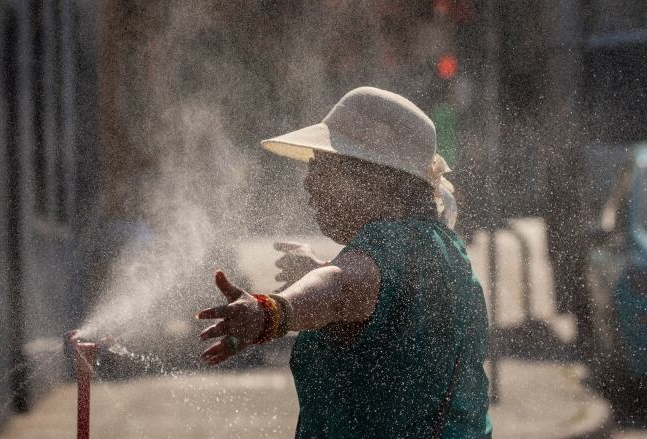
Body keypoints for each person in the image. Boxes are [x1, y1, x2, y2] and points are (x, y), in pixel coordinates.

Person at [197, 87, 491, 438]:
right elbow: (370, 292)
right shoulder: (442, 248)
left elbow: (340, 287)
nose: (308, 182)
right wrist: (320, 270)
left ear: (373, 179)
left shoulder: (385, 245)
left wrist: (270, 313)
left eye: (321, 166)